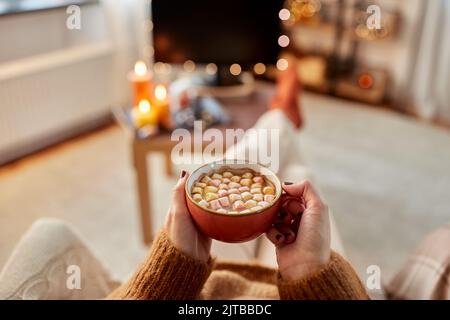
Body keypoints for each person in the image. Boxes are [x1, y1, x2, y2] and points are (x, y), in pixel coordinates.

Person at [107, 60, 369, 300]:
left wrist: (176, 265)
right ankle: (281, 115)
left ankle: (281, 116)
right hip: (284, 288)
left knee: (271, 169)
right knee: (298, 174)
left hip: (200, 279)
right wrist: (308, 268)